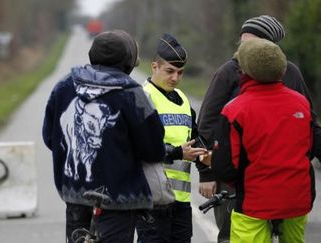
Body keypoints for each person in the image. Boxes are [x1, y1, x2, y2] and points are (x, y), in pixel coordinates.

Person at [196, 15, 321, 243]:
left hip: (280, 178)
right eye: (241, 42)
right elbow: (207, 123)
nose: (242, 49)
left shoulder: (291, 73)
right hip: (238, 173)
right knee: (228, 233)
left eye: (250, 43)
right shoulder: (227, 72)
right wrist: (207, 173)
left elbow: (311, 127)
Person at [42, 30, 166, 243]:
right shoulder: (133, 94)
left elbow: (50, 137)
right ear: (127, 61)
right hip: (120, 198)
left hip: (75, 191)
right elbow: (154, 148)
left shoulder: (63, 86)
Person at [136, 33, 209, 243]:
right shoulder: (143, 97)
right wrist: (178, 152)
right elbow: (141, 146)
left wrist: (207, 159)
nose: (175, 78)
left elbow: (195, 139)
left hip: (181, 201)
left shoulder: (184, 100)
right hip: (152, 199)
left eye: (180, 72)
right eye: (170, 71)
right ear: (154, 67)